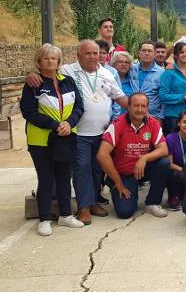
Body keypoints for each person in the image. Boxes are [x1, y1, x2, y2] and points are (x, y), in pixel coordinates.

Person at [37, 40, 128, 225]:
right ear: (78, 55)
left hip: (102, 134)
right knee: (82, 169)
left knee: (96, 170)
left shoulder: (107, 74)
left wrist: (142, 111)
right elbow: (46, 71)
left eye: (96, 53)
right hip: (79, 133)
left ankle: (93, 201)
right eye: (88, 53)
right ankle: (83, 207)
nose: (93, 57)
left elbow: (120, 98)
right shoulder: (68, 71)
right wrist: (32, 74)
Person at [21, 43, 85, 236]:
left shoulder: (68, 81)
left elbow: (79, 107)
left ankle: (65, 215)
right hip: (41, 140)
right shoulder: (33, 83)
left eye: (54, 58)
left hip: (66, 137)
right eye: (46, 58)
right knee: (47, 178)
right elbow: (28, 111)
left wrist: (69, 122)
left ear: (59, 62)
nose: (51, 61)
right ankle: (44, 218)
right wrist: (53, 125)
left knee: (64, 178)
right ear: (39, 61)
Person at [97, 93, 170, 219]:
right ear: (128, 107)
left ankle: (152, 203)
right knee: (125, 212)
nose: (140, 109)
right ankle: (114, 184)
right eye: (136, 106)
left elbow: (164, 149)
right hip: (124, 173)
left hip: (142, 169)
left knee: (163, 163)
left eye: (143, 106)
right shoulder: (117, 124)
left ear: (147, 108)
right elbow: (102, 155)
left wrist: (144, 158)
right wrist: (118, 182)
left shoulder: (152, 123)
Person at [159, 42, 186, 135]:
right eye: (182, 52)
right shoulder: (168, 73)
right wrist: (184, 97)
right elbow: (163, 96)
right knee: (174, 145)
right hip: (173, 116)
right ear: (176, 55)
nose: (185, 54)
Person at [164, 111, 186, 211]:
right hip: (176, 171)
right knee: (175, 174)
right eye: (185, 122)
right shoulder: (170, 138)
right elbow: (169, 164)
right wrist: (184, 170)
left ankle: (184, 196)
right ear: (179, 123)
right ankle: (173, 197)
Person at [128, 41, 165, 121]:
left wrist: (160, 118)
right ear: (139, 53)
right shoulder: (131, 69)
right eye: (144, 50)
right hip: (132, 115)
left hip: (152, 117)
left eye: (150, 51)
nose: (147, 53)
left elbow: (164, 97)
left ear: (154, 54)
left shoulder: (162, 73)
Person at [110, 51, 133, 118]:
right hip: (110, 119)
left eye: (126, 62)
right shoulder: (109, 79)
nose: (124, 64)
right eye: (120, 62)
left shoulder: (132, 82)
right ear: (114, 64)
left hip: (128, 119)